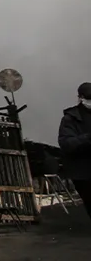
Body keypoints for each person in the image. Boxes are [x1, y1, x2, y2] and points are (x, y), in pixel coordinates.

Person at [57, 82, 91, 217]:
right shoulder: (70, 119)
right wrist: (87, 138)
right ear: (81, 98)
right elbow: (66, 143)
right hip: (83, 173)